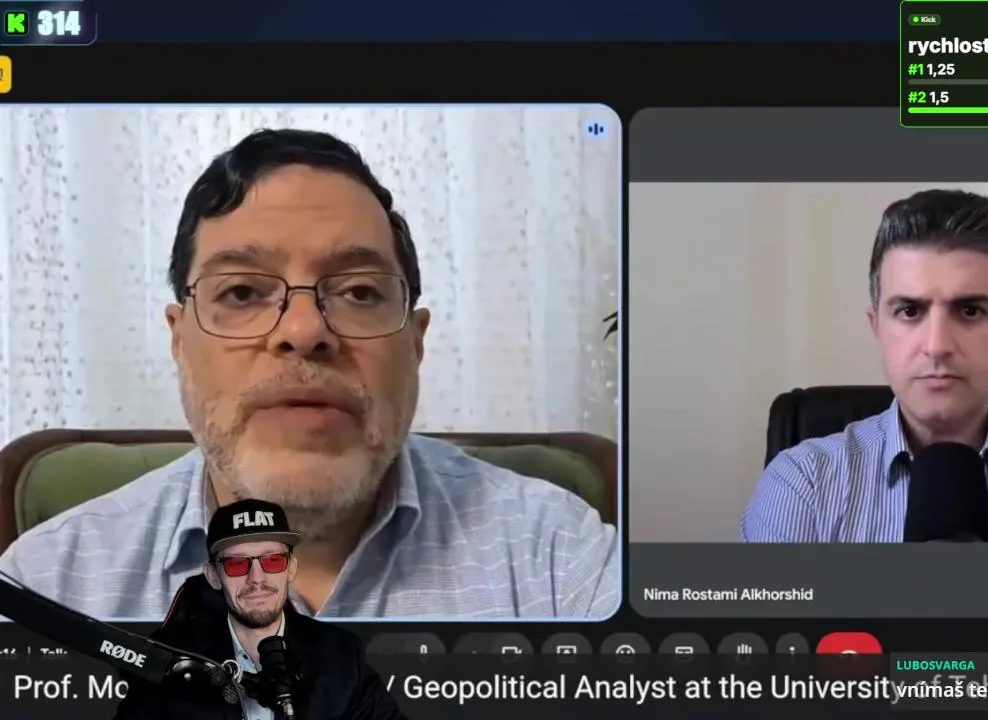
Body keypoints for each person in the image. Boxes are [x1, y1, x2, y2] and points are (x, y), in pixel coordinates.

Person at [0, 128, 619, 618]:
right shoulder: (47, 585)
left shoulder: (562, 559)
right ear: (179, 340)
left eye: (359, 292)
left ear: (416, 342)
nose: (302, 331)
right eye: (242, 292)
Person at [742, 189, 988, 543]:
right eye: (909, 311)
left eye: (970, 310)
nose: (937, 346)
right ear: (877, 326)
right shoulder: (802, 484)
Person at [114, 499, 407, 720]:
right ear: (213, 576)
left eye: (272, 561)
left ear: (290, 568)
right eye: (237, 564)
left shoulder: (340, 655)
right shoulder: (171, 662)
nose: (257, 579)